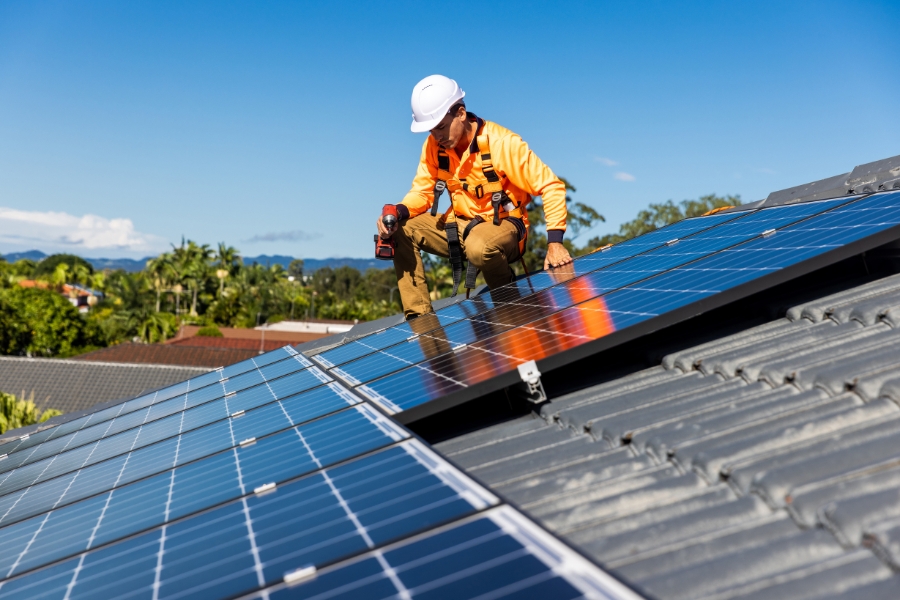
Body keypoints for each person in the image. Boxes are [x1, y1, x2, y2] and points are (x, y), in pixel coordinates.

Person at [377, 74, 573, 319]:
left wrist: (555, 243)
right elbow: (422, 192)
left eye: (440, 126)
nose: (436, 136)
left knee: (479, 245)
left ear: (460, 113)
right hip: (459, 226)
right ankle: (421, 322)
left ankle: (508, 305)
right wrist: (397, 212)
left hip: (504, 227)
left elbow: (551, 186)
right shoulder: (433, 147)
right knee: (403, 229)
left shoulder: (502, 143)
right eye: (430, 129)